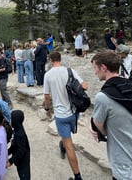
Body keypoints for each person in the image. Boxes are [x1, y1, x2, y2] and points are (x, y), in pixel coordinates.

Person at [89, 50, 132, 180]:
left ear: (103, 67)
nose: (95, 72)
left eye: (95, 68)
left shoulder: (103, 97)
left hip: (125, 169)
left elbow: (101, 129)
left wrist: (95, 127)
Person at [44, 51, 87, 180]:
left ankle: (77, 177)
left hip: (60, 115)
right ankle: (62, 145)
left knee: (69, 145)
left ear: (51, 60)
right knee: (67, 137)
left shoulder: (48, 75)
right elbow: (85, 85)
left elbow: (47, 96)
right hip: (73, 112)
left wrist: (47, 109)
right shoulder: (70, 71)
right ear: (60, 59)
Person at [7, 110, 31, 180]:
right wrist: (6, 152)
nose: (10, 120)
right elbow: (14, 146)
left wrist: (11, 161)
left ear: (15, 121)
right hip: (19, 161)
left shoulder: (20, 135)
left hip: (23, 162)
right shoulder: (16, 130)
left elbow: (21, 151)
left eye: (11, 119)